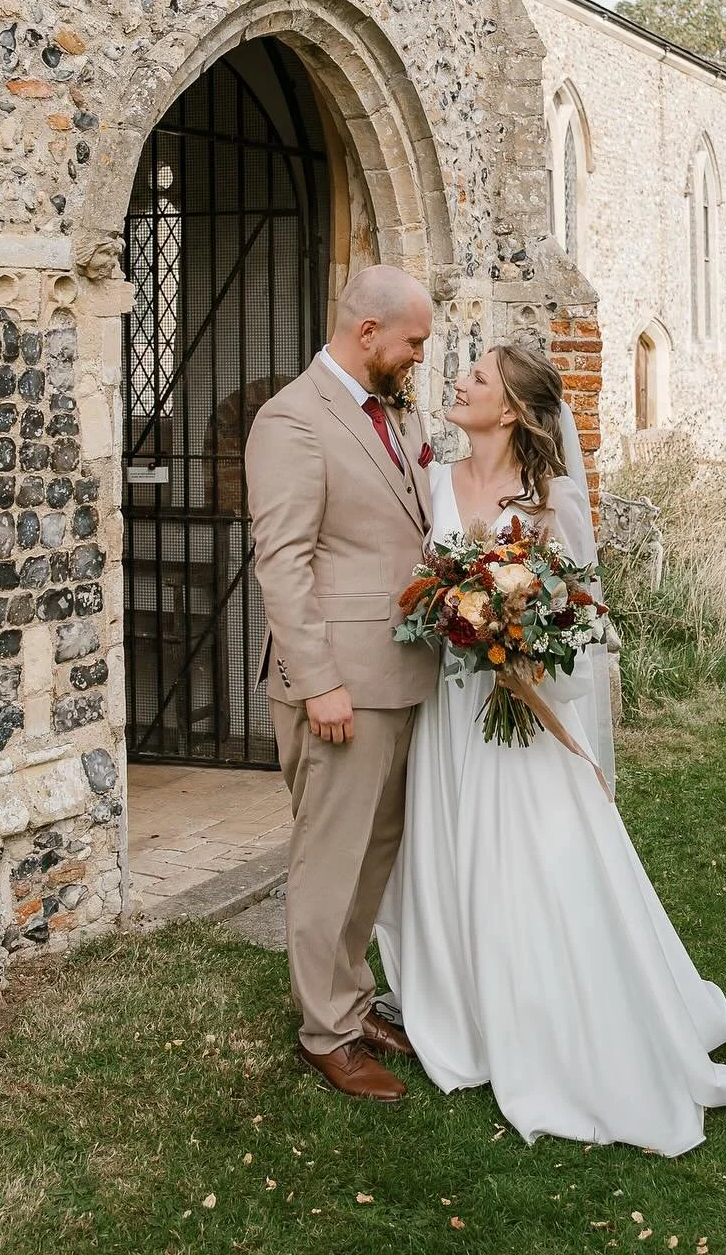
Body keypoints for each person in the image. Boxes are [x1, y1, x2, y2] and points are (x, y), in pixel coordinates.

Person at [376, 341, 726, 1154]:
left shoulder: (550, 499)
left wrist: (519, 635)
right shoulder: (433, 480)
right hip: (453, 707)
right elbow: (420, 584)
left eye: (477, 377)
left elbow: (579, 616)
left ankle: (555, 1014)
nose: (459, 380)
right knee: (454, 847)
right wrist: (457, 609)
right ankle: (466, 1006)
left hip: (518, 706)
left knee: (534, 854)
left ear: (513, 408)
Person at [244, 265, 439, 1103]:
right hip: (337, 687)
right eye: (413, 342)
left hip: (398, 673)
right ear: (368, 334)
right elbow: (282, 562)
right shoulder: (291, 420)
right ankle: (324, 1032)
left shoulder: (396, 411)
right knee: (330, 857)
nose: (420, 359)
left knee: (374, 855)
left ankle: (352, 1001)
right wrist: (318, 681)